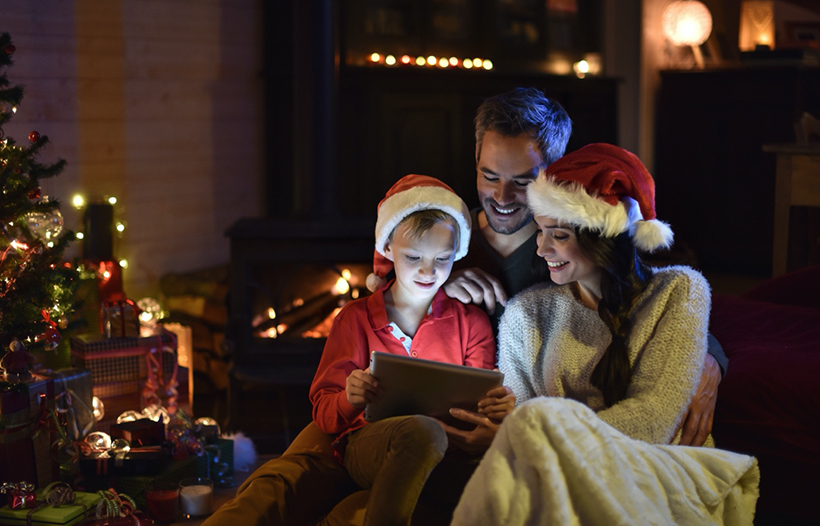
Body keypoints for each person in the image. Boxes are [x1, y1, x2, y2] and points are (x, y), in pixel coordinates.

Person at [451, 143, 759, 525]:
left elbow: (655, 419)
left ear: (604, 238)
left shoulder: (678, 292)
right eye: (541, 231)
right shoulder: (526, 313)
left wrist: (530, 437)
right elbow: (519, 413)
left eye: (558, 234)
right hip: (554, 472)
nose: (542, 248)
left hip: (657, 465)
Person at [445, 87, 726, 448]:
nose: (501, 197)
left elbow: (648, 297)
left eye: (522, 182)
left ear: (555, 173)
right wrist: (436, 286)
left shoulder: (582, 247)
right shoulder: (443, 244)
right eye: (490, 176)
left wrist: (709, 359)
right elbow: (386, 310)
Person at [308, 173, 513, 526]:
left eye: (443, 258)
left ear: (457, 253)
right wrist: (350, 397)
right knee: (423, 433)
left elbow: (476, 408)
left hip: (450, 456)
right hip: (370, 448)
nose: (428, 271)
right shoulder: (354, 320)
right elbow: (325, 415)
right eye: (414, 256)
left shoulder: (472, 323)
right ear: (387, 249)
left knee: (509, 474)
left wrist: (497, 408)